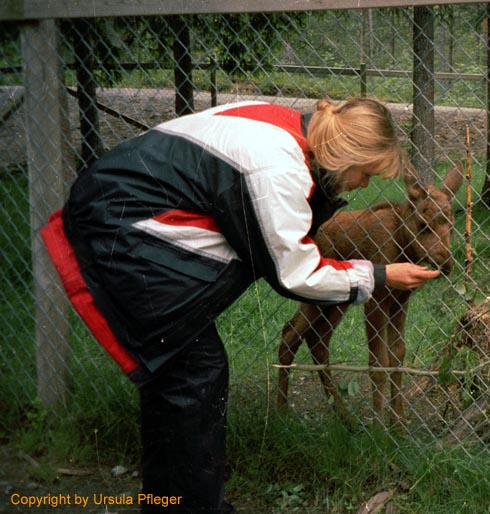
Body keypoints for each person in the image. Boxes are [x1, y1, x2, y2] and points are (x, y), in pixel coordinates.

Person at [40, 97, 440, 513]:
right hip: (123, 231)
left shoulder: (285, 126)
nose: (364, 186)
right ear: (346, 154)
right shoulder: (277, 170)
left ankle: (170, 504)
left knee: (177, 380)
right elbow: (294, 273)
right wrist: (379, 275)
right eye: (366, 173)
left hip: (115, 209)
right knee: (193, 375)